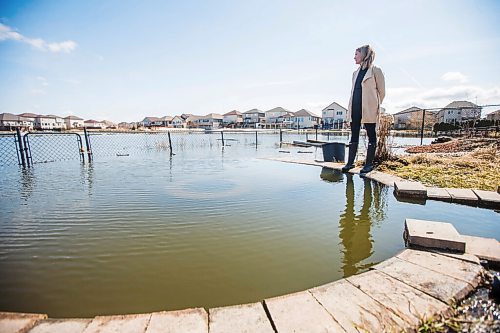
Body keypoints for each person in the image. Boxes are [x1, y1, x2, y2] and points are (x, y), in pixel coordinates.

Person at [342, 45, 385, 175]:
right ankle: (350, 163)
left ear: (364, 54)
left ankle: (368, 164)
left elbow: (382, 92)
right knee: (353, 133)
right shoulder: (355, 73)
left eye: (356, 54)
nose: (354, 57)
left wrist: (374, 105)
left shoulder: (376, 71)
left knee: (371, 133)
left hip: (369, 108)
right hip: (355, 107)